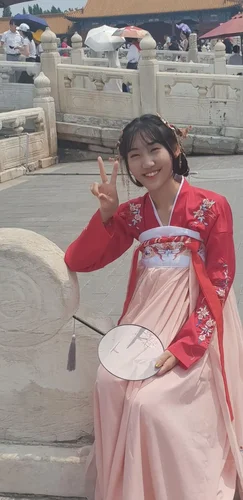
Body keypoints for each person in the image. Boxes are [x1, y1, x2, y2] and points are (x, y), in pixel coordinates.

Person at [64, 114, 243, 500]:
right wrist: (107, 215)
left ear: (175, 150)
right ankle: (122, 489)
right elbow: (79, 260)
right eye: (135, 155)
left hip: (194, 322)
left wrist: (186, 347)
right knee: (109, 385)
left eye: (155, 149)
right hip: (145, 322)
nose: (146, 163)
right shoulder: (133, 214)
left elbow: (221, 281)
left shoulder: (212, 207)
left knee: (150, 404)